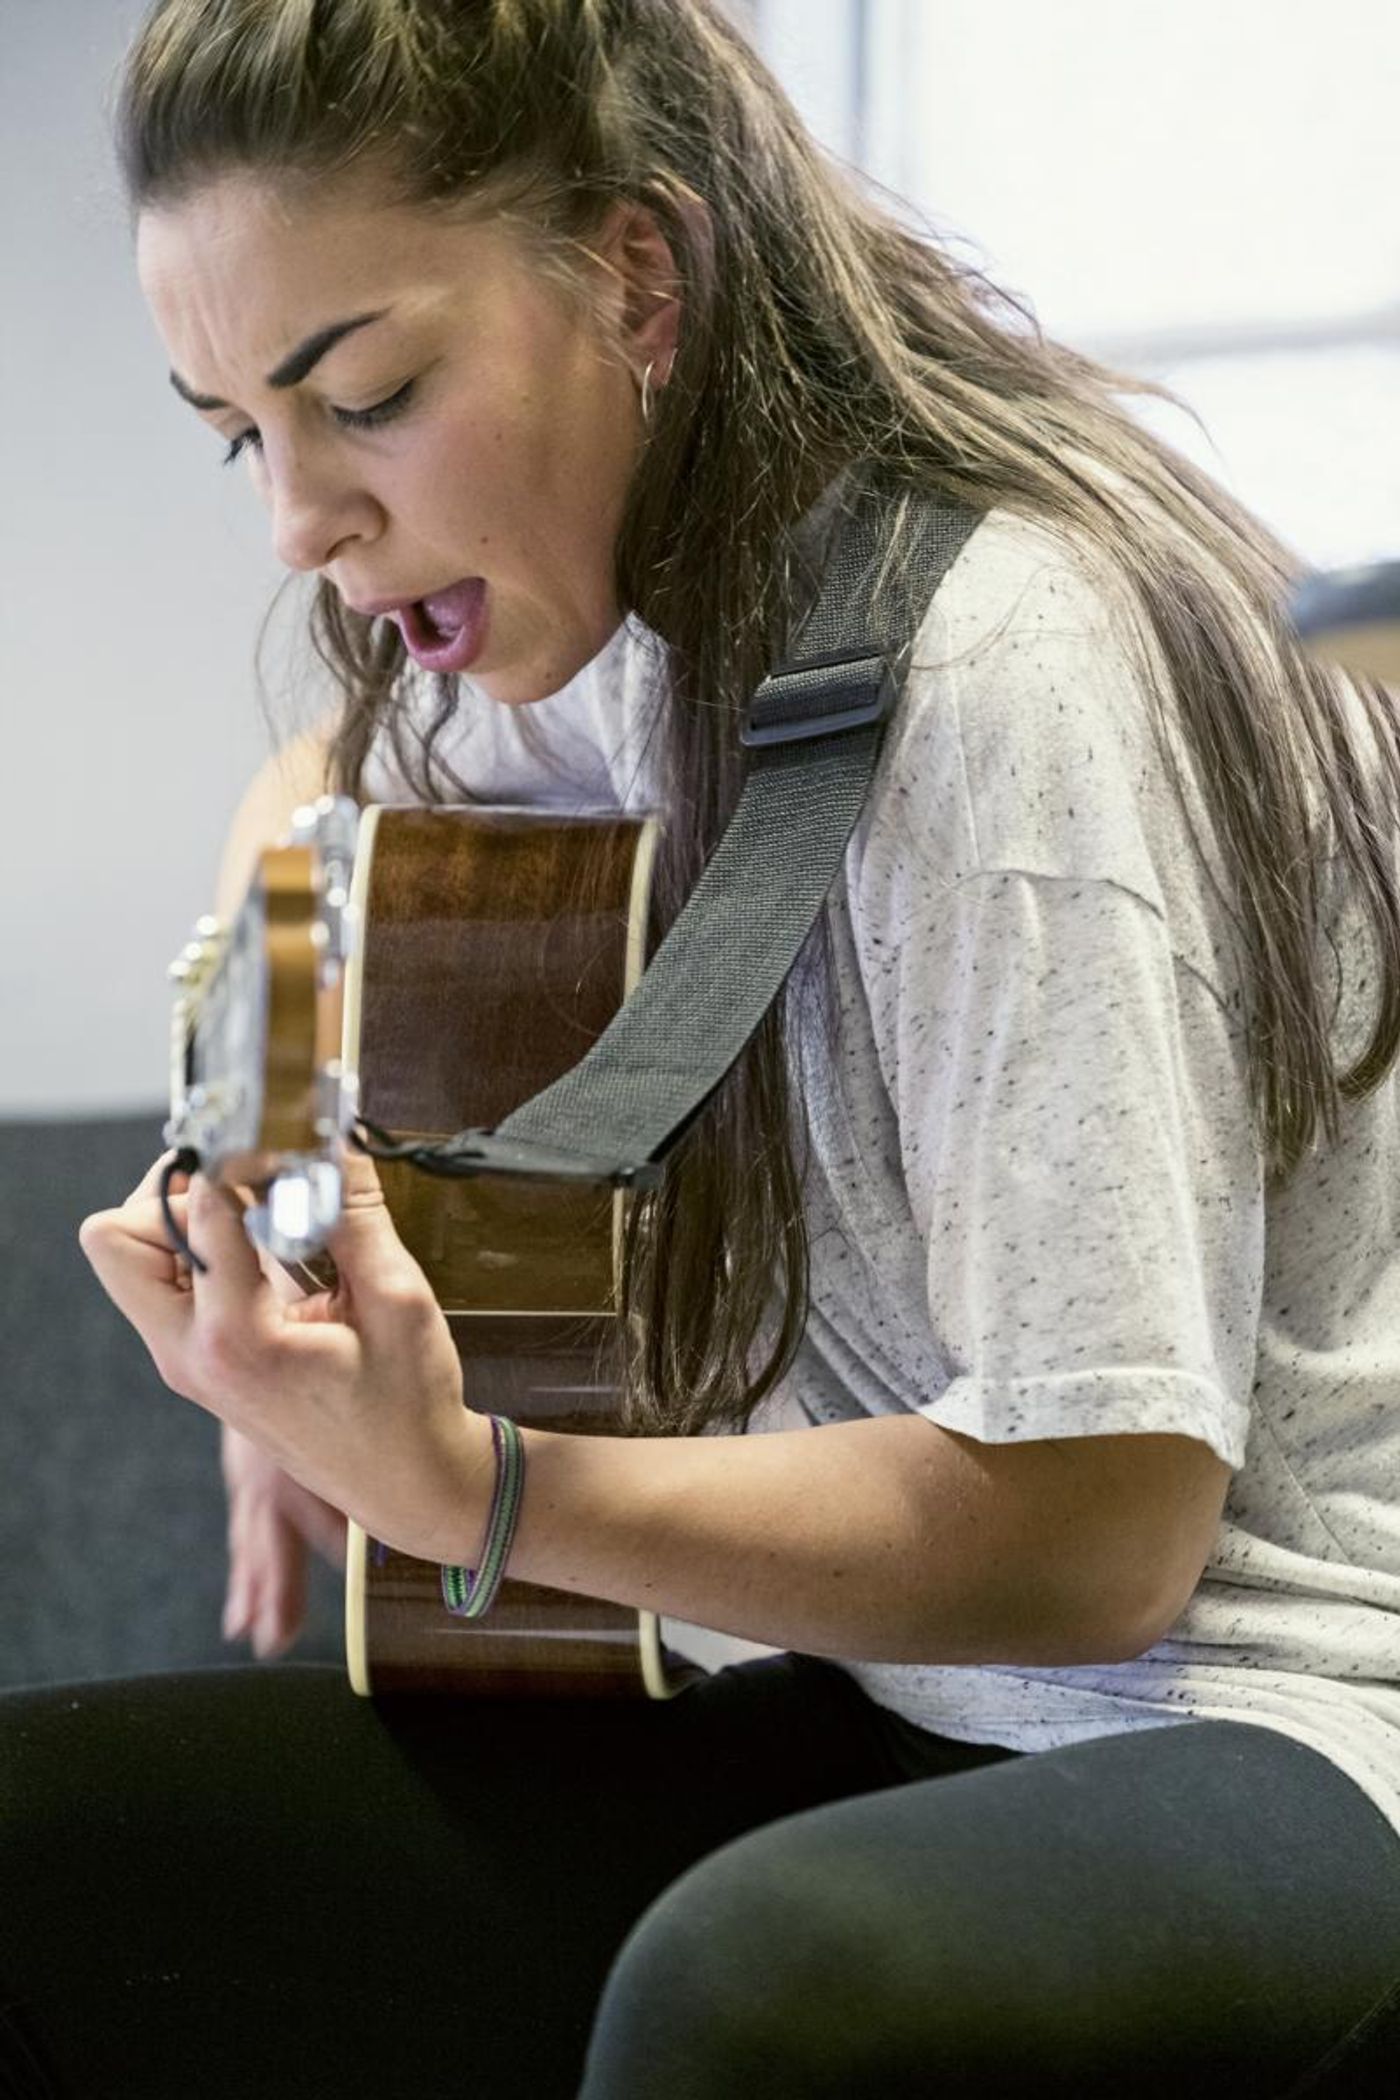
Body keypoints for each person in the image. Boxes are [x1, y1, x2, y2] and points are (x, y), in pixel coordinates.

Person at [3, 1, 1398, 2093]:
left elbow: (1101, 1532)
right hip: (892, 1699)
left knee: (760, 1992)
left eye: (367, 397)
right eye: (238, 431)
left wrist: (468, 1488)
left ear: (636, 282)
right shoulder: (606, 613)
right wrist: (268, 1155)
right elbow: (315, 801)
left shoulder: (1002, 663)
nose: (296, 517)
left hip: (1278, 1717)